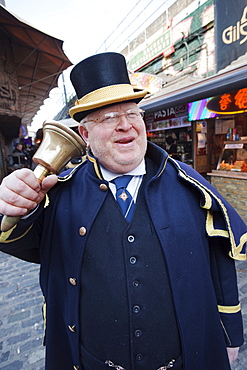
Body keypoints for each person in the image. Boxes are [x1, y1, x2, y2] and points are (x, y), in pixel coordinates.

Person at [0, 52, 247, 370]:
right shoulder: (57, 195)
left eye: (132, 113)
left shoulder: (191, 185)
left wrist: (231, 336)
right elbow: (18, 239)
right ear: (85, 135)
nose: (125, 125)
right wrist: (18, 204)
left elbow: (221, 264)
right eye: (108, 118)